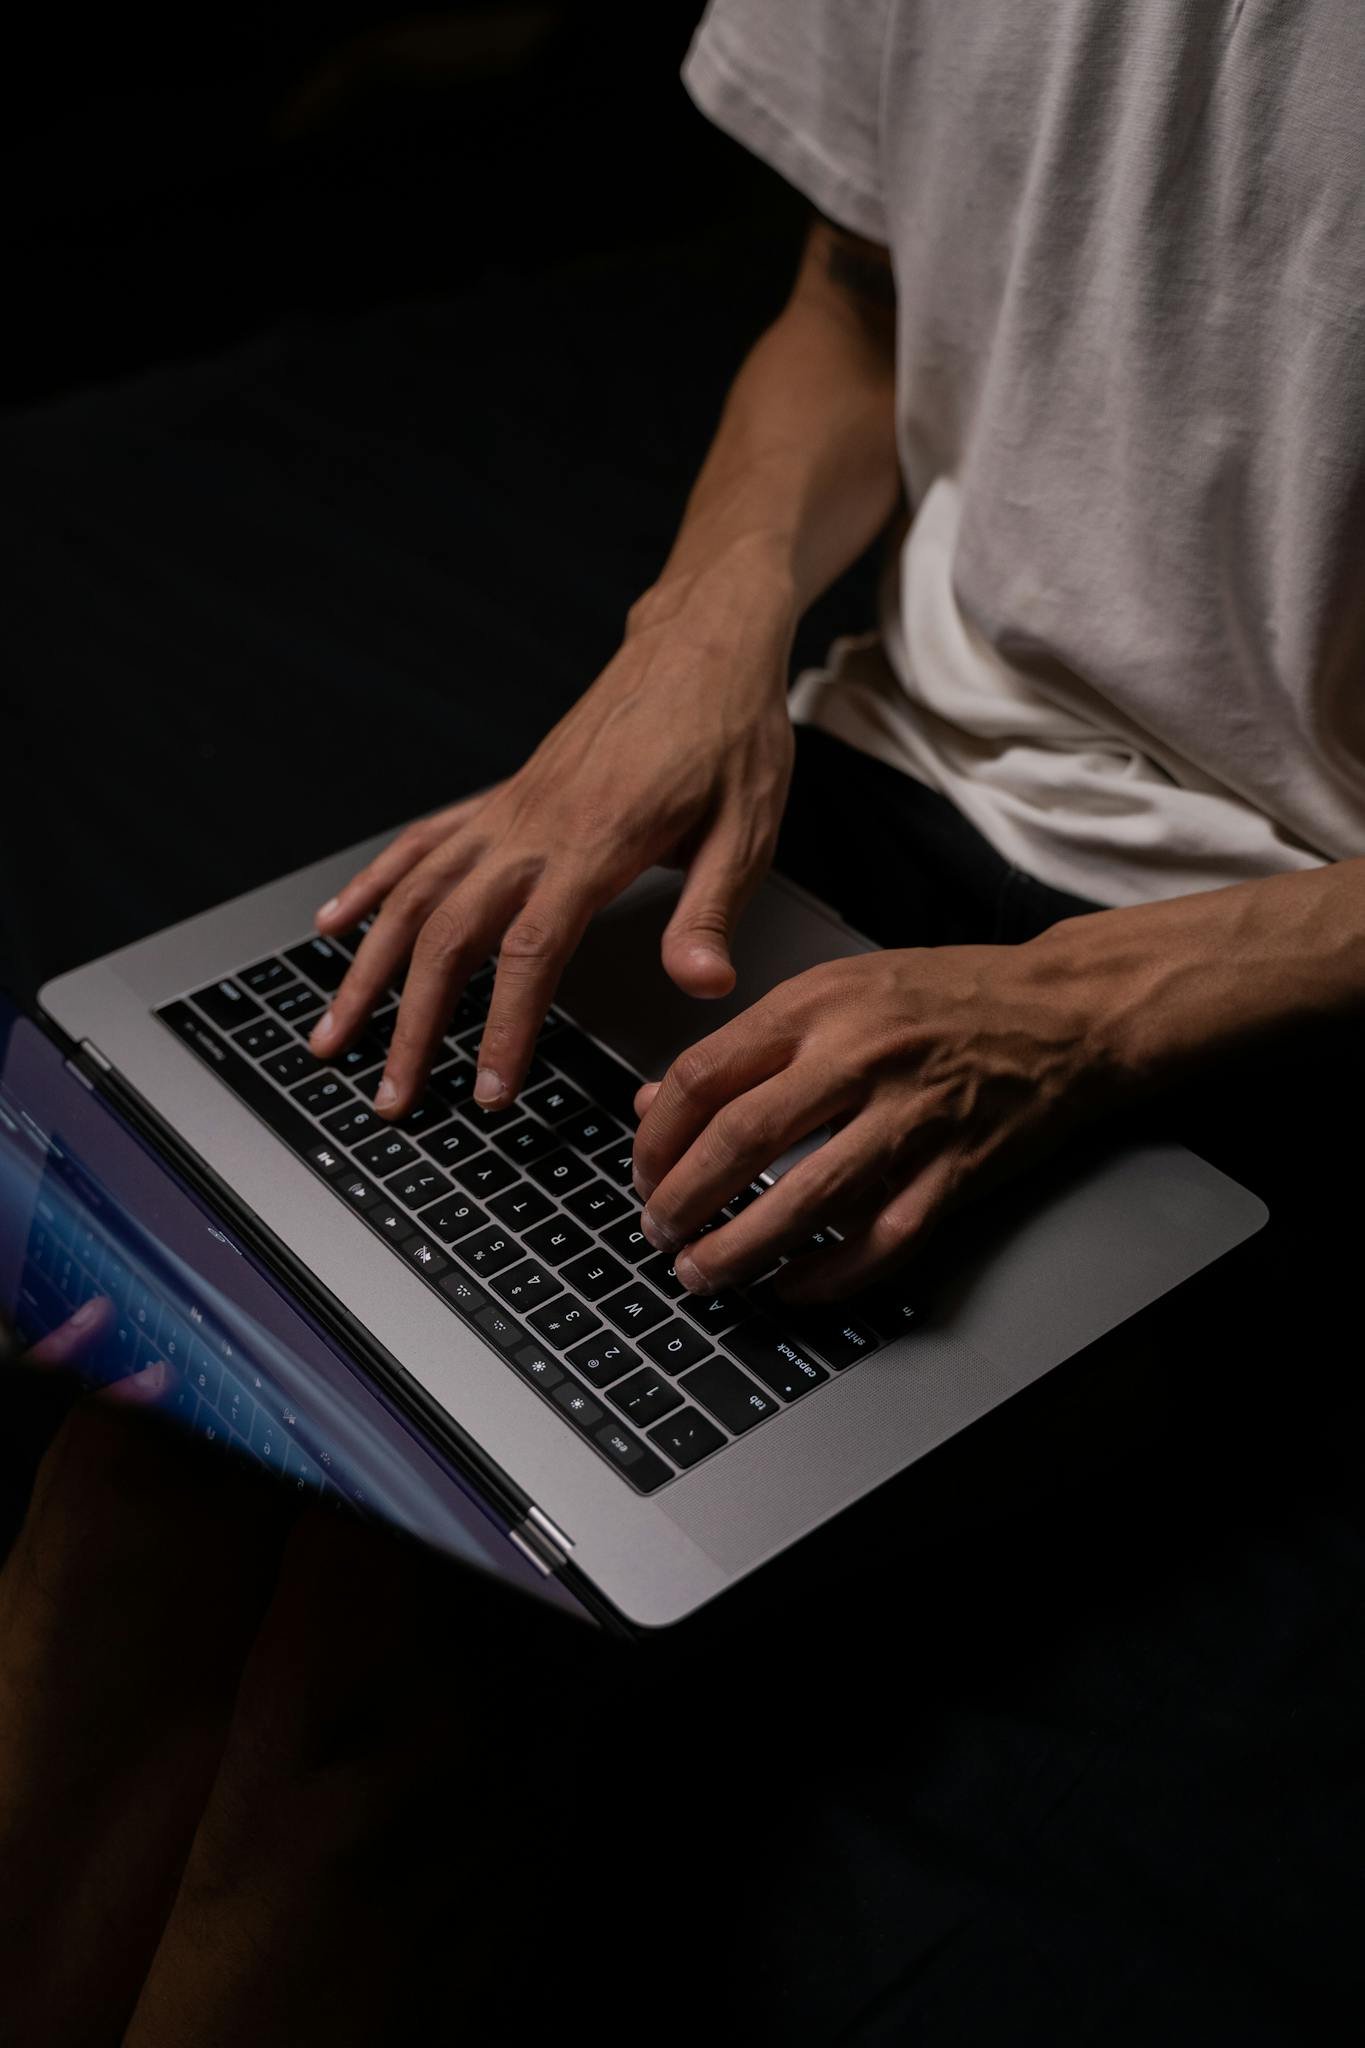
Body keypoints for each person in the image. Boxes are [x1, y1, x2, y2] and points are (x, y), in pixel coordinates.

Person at [301, 0, 1365, 1314]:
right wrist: (696, 622)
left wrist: (1074, 1008)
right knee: (217, 1345)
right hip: (889, 757)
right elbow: (857, 296)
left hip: (1290, 961)